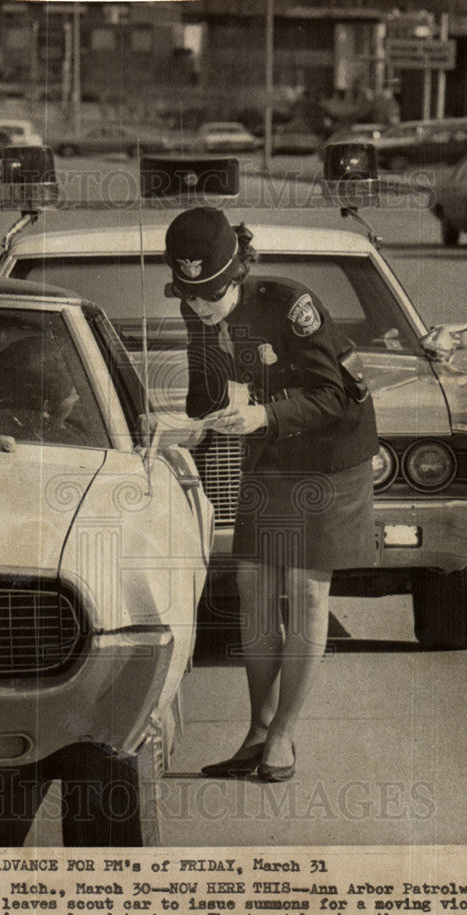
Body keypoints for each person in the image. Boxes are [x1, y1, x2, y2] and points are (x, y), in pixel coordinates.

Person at [164, 206, 379, 782]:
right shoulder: (199, 314)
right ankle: (257, 729)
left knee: (306, 591)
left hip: (333, 453)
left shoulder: (290, 305)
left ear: (237, 275)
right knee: (254, 583)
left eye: (211, 294)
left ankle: (282, 737)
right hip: (274, 444)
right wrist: (189, 424)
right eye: (190, 296)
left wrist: (260, 414)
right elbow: (203, 394)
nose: (200, 307)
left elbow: (332, 396)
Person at [0, 335, 83, 445]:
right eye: (73, 394)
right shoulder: (68, 443)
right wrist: (58, 425)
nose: (77, 398)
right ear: (45, 407)